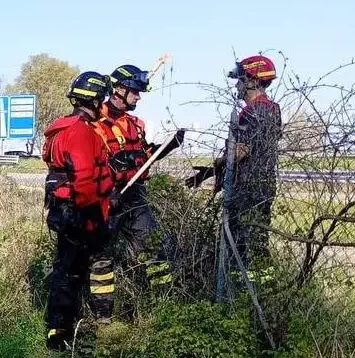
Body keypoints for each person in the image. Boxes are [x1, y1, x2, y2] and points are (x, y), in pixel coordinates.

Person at [89, 64, 188, 321]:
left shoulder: (136, 124)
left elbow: (143, 157)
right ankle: (103, 318)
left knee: (156, 250)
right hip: (106, 197)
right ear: (119, 90)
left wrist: (164, 148)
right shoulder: (94, 121)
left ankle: (164, 306)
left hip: (134, 197)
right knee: (101, 258)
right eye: (134, 91)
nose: (138, 97)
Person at [41, 71, 117, 351]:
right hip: (80, 214)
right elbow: (84, 182)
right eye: (102, 99)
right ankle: (60, 335)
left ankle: (59, 329)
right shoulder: (81, 132)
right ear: (95, 100)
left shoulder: (61, 129)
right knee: (71, 274)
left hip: (64, 210)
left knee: (66, 270)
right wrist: (93, 221)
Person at [187, 55, 282, 270]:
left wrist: (212, 169)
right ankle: (261, 286)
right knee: (257, 239)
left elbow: (241, 151)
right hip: (263, 184)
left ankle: (242, 286)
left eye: (240, 80)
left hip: (246, 186)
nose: (237, 85)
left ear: (252, 81)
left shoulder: (253, 111)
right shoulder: (273, 109)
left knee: (239, 241)